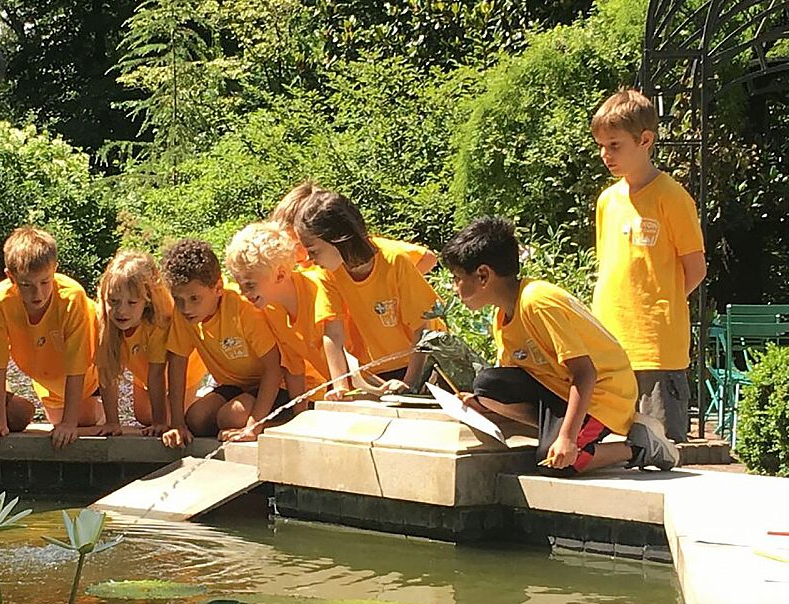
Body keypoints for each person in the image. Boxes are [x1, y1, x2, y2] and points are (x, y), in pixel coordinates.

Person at [441, 215, 679, 476]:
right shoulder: (502, 316)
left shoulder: (537, 301)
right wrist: (480, 403)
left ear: (483, 275)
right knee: (487, 384)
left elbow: (586, 372)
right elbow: (512, 378)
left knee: (557, 462)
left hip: (604, 394)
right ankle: (557, 434)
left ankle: (639, 448)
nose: (454, 287)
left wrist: (566, 438)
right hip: (559, 389)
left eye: (456, 278)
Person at [590, 88, 707, 443]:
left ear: (645, 140)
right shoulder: (607, 201)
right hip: (608, 344)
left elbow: (695, 268)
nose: (605, 155)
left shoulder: (672, 197)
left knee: (659, 447)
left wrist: (661, 303)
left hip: (656, 348)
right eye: (601, 146)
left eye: (614, 145)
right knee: (610, 448)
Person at [294, 189, 443, 393]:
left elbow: (423, 329)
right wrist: (340, 386)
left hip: (429, 362)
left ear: (338, 238)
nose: (310, 259)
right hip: (383, 368)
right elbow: (333, 335)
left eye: (313, 251)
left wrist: (410, 384)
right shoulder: (328, 274)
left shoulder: (395, 261)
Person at [0, 227, 101, 450]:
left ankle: (104, 417)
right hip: (47, 379)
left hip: (89, 376)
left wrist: (70, 423)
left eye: (45, 282)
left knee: (84, 424)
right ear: (10, 276)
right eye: (27, 285)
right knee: (57, 428)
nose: (38, 294)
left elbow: (77, 365)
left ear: (55, 269)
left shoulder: (72, 297)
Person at [160, 238, 288, 447]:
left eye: (194, 298)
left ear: (217, 287)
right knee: (196, 419)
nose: (186, 308)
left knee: (231, 417)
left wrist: (254, 425)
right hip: (236, 386)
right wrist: (176, 423)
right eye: (178, 299)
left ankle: (277, 424)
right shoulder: (183, 315)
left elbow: (274, 368)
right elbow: (177, 362)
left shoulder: (242, 309)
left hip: (278, 384)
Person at [224, 221, 353, 404]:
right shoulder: (271, 310)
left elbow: (334, 337)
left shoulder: (319, 287)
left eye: (250, 285)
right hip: (339, 390)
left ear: (280, 275)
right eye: (240, 284)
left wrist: (340, 386)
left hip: (367, 379)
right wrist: (299, 415)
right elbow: (294, 368)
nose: (244, 294)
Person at [95, 249, 208, 436]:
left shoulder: (158, 323)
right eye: (113, 301)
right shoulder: (104, 322)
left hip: (180, 373)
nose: (121, 311)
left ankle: (201, 397)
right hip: (143, 368)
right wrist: (112, 422)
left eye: (131, 303)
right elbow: (107, 371)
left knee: (170, 419)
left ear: (146, 301)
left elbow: (157, 374)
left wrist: (159, 423)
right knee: (143, 416)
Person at [270, 180, 438, 274]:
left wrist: (392, 296)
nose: (289, 252)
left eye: (295, 245)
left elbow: (427, 258)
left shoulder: (367, 249)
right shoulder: (304, 268)